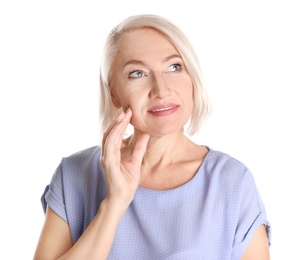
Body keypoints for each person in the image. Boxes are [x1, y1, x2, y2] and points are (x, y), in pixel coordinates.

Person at [34, 14, 271, 259]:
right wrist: (115, 203)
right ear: (114, 93)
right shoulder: (74, 174)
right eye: (137, 73)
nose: (161, 89)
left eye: (174, 67)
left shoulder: (232, 182)